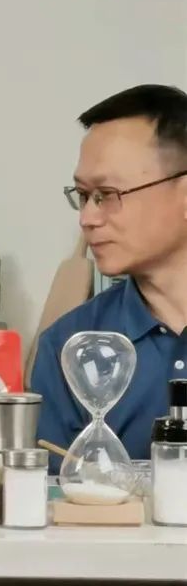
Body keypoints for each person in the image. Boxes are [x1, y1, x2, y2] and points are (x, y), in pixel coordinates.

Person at [31, 85, 187, 471]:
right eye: (83, 196)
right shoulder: (68, 346)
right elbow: (56, 498)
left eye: (107, 194)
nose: (87, 218)